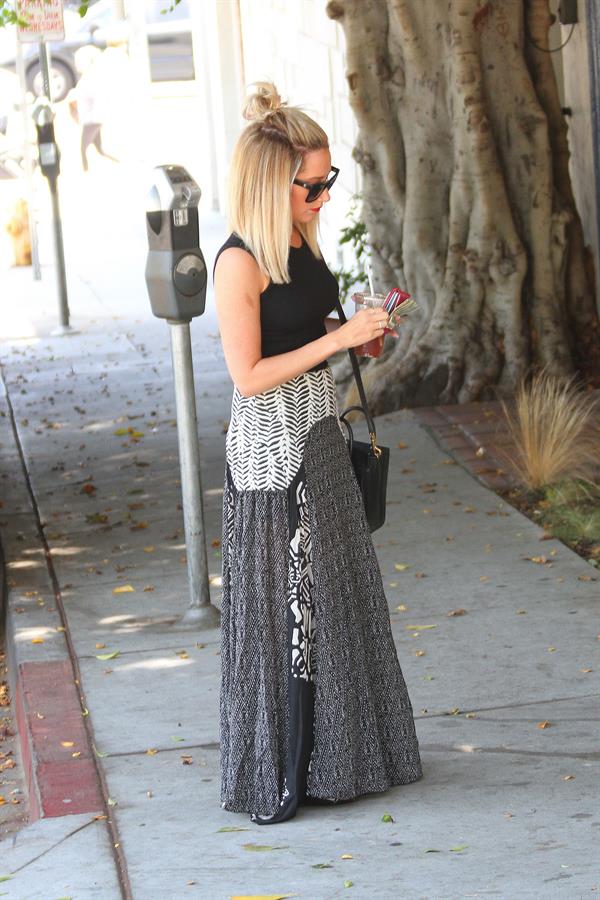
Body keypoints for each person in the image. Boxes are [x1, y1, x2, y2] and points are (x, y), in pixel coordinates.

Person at [213, 82, 423, 826]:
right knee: (293, 615)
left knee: (336, 601)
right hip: (272, 459)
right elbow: (249, 374)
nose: (326, 194)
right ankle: (290, 772)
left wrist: (360, 334)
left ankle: (345, 762)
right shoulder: (239, 262)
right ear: (276, 183)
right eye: (314, 184)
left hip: (320, 437)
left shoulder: (300, 240)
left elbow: (312, 325)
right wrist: (335, 340)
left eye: (330, 181)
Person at [71, 46, 119, 172]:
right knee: (99, 149)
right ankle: (119, 162)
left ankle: (84, 171)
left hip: (92, 119)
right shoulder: (90, 77)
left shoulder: (91, 78)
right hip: (92, 119)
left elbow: (95, 99)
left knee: (83, 148)